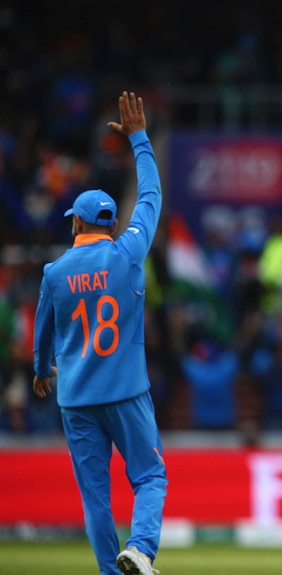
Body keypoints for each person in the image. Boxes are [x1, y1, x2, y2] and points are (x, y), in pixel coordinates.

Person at [32, 92, 166, 575]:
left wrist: (40, 369)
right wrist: (140, 139)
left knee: (95, 498)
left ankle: (114, 572)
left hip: (76, 397)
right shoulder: (128, 252)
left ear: (78, 222)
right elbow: (151, 197)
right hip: (127, 392)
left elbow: (42, 329)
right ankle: (142, 549)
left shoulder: (53, 272)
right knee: (150, 477)